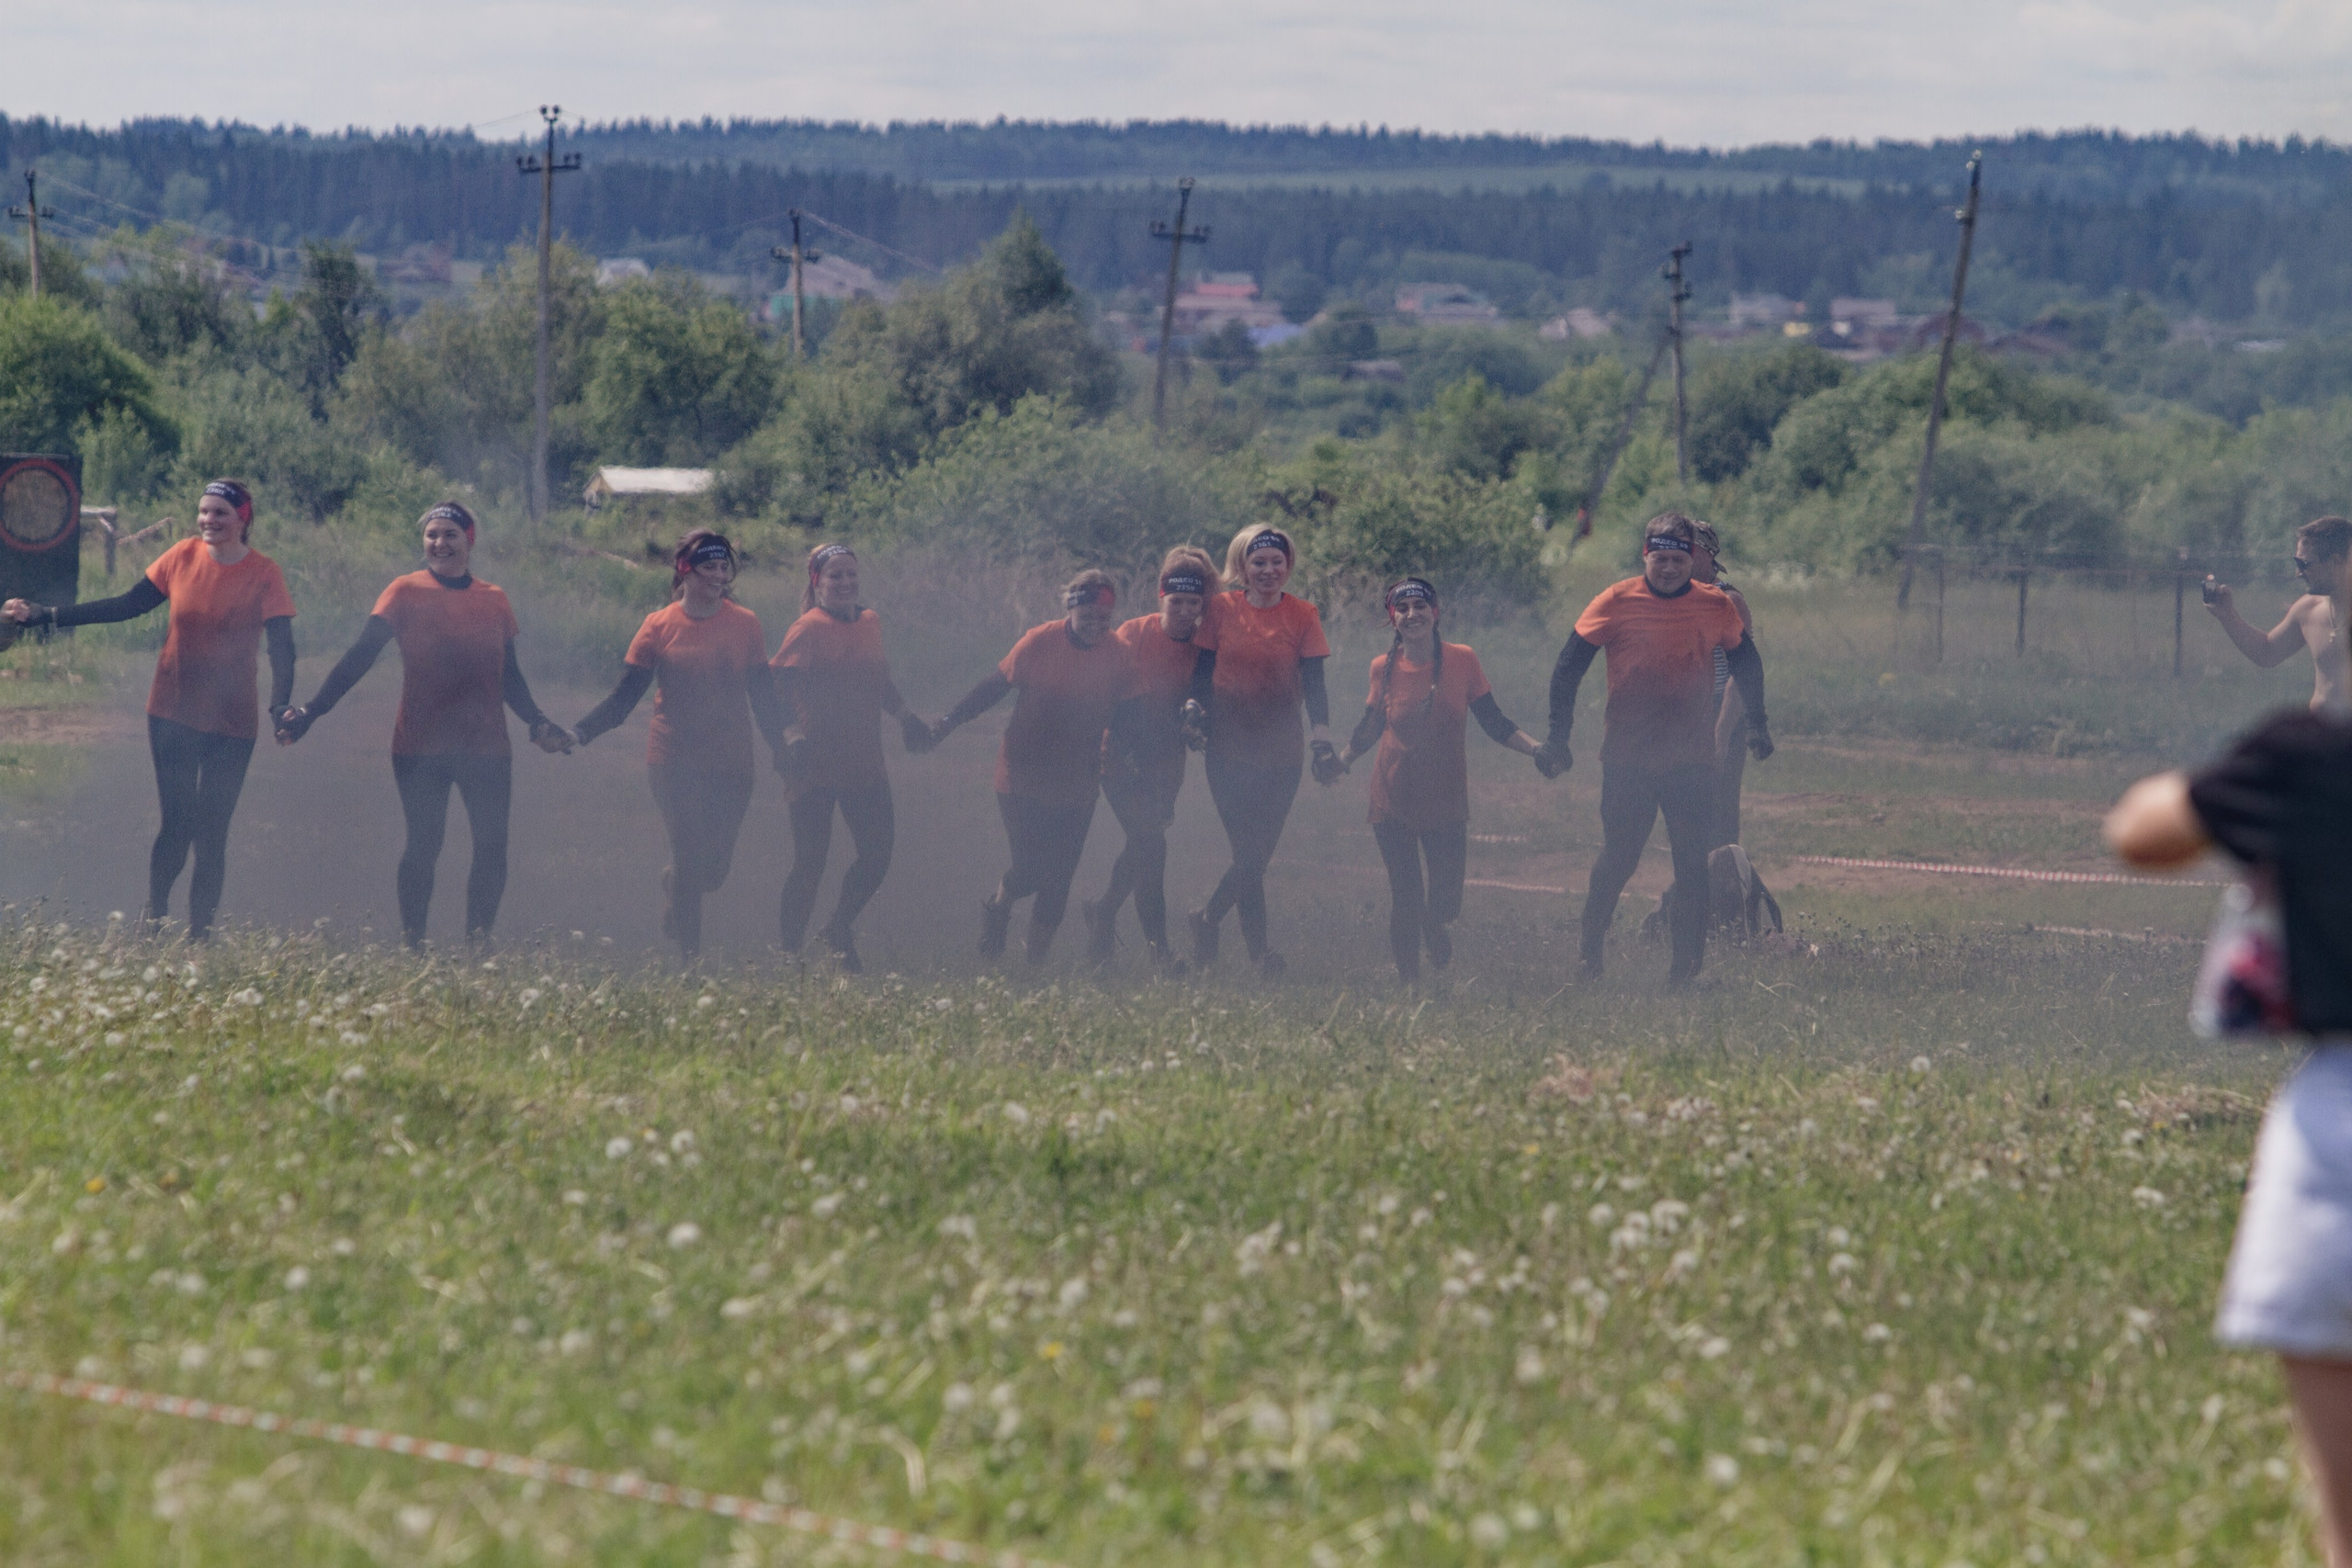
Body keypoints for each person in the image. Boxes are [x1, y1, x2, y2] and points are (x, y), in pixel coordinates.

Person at [2106, 531, 2352, 1566]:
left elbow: (2144, 831)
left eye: (2312, 556)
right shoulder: (2307, 622)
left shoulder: (2306, 763)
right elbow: (2262, 658)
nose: (2299, 570)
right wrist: (2217, 608)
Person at [2, 479, 294, 941]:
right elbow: (125, 606)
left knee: (212, 833)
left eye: (220, 513)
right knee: (177, 824)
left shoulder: (264, 573)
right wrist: (47, 616)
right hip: (172, 711)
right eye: (203, 512)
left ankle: (201, 937)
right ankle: (154, 920)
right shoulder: (181, 556)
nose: (209, 520)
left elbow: (282, 646)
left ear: (243, 519)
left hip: (232, 722)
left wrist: (281, 704)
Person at [276, 502, 572, 949]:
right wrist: (311, 712)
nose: (440, 543)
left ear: (469, 542)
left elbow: (508, 676)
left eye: (450, 534)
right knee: (424, 845)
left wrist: (537, 721)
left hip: (486, 746)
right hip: (420, 746)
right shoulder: (403, 592)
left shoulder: (494, 600)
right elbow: (359, 658)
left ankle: (477, 946)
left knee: (492, 849)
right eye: (432, 534)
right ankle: (414, 944)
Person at [1540, 511, 1772, 986]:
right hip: (1628, 759)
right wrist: (1558, 736)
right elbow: (1568, 667)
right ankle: (1590, 948)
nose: (1668, 568)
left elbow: (1748, 662)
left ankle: (1684, 973)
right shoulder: (1616, 599)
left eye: (1677, 559)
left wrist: (1759, 726)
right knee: (1620, 857)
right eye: (1659, 559)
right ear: (1646, 556)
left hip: (1692, 760)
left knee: (1692, 865)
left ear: (1693, 559)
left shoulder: (1715, 605)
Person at [571, 530, 787, 960]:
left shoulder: (746, 624)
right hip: (673, 761)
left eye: (725, 567)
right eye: (710, 567)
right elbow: (622, 700)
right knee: (689, 856)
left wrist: (786, 743)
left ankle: (677, 884)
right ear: (685, 572)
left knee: (714, 870)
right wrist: (577, 733)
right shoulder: (658, 626)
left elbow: (763, 694)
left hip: (732, 761)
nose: (720, 575)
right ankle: (690, 961)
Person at [1329, 578, 1540, 984]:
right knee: (1405, 898)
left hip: (1445, 799)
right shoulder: (1382, 667)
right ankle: (1411, 985)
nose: (1412, 614)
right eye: (1402, 608)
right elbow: (1371, 724)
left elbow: (1494, 722)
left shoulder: (1462, 660)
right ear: (1393, 619)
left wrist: (1537, 750)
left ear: (1435, 612)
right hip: (1392, 798)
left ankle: (1432, 923)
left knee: (1446, 903)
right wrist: (1342, 762)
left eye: (1419, 606)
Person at [928, 568, 1129, 965]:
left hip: (1079, 779)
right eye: (1087, 616)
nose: (1095, 625)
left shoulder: (1118, 653)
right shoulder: (1040, 641)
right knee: (1033, 867)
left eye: (1103, 619)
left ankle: (1034, 963)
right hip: (1022, 773)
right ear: (1071, 610)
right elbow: (995, 686)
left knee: (1060, 877)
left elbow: (1131, 712)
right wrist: (949, 723)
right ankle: (999, 906)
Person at [768, 543, 931, 973]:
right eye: (834, 575)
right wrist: (792, 737)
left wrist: (906, 717)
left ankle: (838, 926)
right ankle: (789, 954)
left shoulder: (870, 622)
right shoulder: (806, 629)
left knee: (878, 855)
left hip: (864, 763)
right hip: (814, 764)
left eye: (850, 575)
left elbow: (879, 679)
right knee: (810, 863)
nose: (844, 583)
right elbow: (775, 691)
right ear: (816, 582)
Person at [1186, 525, 1334, 976]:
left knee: (1257, 855)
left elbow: (1315, 683)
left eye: (1277, 561)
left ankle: (1207, 919)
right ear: (1242, 567)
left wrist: (1322, 738)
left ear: (1287, 566)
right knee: (1248, 852)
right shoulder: (1220, 609)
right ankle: (1259, 954)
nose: (1269, 570)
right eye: (1259, 562)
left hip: (1282, 752)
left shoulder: (1304, 614)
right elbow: (1202, 671)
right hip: (1228, 749)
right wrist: (1193, 710)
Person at [1083, 546, 1221, 970]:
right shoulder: (1132, 633)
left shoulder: (1202, 647)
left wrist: (1198, 725)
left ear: (1202, 604)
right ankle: (1159, 950)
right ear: (1160, 597)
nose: (1182, 610)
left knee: (1143, 845)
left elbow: (1207, 699)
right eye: (1174, 600)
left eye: (1191, 602)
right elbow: (1100, 691)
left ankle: (1103, 912)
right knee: (1151, 845)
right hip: (1120, 756)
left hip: (1165, 762)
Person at [2204, 516, 2352, 711]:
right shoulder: (2308, 609)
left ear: (2335, 561)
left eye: (2304, 564)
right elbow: (2267, 652)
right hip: (2318, 738)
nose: (2298, 573)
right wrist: (2227, 615)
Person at [1691, 519, 1758, 849]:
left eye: (1686, 550)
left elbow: (1741, 672)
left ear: (1705, 554)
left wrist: (1720, 734)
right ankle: (1690, 889)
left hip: (1722, 710)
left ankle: (1723, 889)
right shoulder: (1678, 597)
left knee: (1720, 809)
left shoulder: (1728, 599)